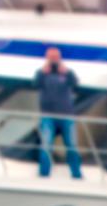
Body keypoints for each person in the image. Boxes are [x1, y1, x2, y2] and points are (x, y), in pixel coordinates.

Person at [33, 47, 81, 179]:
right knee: (46, 145)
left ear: (59, 58)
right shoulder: (42, 73)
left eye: (55, 57)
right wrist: (43, 72)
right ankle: (44, 172)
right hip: (48, 114)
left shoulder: (66, 72)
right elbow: (35, 84)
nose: (53, 60)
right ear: (47, 58)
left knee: (71, 145)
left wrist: (67, 72)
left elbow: (75, 83)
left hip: (66, 115)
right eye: (51, 57)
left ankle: (76, 173)